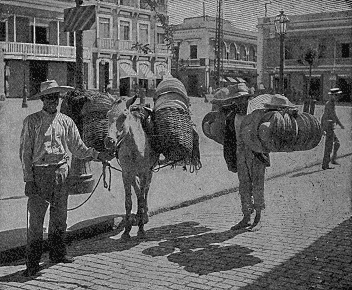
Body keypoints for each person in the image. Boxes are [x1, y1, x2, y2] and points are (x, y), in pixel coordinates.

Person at [20, 80, 112, 277]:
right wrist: (29, 180)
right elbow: (25, 153)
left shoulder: (66, 122)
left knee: (60, 217)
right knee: (36, 222)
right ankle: (32, 262)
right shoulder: (31, 121)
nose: (52, 101)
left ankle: (58, 253)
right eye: (48, 97)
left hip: (62, 173)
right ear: (42, 99)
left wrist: (97, 155)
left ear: (58, 99)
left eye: (55, 97)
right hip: (40, 174)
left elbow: (78, 148)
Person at [321, 88, 345, 170]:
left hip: (329, 126)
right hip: (328, 126)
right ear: (332, 96)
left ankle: (332, 160)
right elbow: (332, 115)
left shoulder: (331, 103)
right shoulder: (330, 104)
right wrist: (340, 124)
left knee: (337, 143)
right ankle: (325, 165)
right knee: (329, 146)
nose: (337, 97)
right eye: (336, 95)